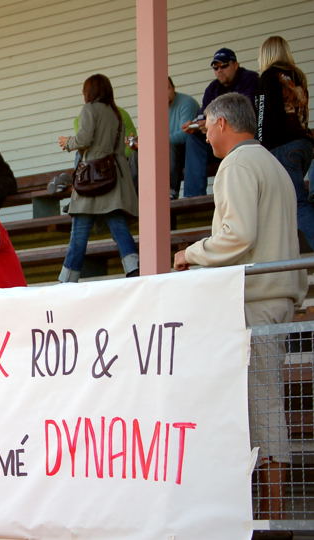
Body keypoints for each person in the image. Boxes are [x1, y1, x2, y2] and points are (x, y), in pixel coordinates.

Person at [173, 92, 307, 520]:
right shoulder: (272, 164)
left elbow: (237, 235)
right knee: (263, 401)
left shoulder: (237, 164)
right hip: (278, 294)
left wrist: (190, 253)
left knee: (261, 406)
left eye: (207, 125)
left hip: (255, 299)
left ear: (222, 124)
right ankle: (269, 514)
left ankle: (272, 517)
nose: (205, 134)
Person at [56, 74, 139, 282]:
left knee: (79, 232)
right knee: (118, 226)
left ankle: (67, 280)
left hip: (91, 179)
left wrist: (68, 142)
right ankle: (134, 269)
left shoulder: (89, 109)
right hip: (113, 177)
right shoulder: (115, 113)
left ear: (89, 91)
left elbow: (84, 139)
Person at [254, 35, 314, 251]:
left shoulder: (267, 77)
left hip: (283, 147)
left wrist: (260, 148)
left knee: (296, 202)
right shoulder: (298, 76)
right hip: (304, 145)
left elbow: (262, 117)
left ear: (265, 54)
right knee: (288, 202)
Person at [181, 48, 259, 197]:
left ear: (235, 64)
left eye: (224, 66)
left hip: (243, 137)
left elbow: (245, 113)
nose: (219, 71)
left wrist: (212, 123)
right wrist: (196, 124)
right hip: (219, 141)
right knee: (193, 138)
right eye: (215, 68)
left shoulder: (250, 79)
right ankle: (193, 196)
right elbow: (202, 113)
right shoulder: (213, 88)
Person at [168, 77, 200, 199]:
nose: (163, 92)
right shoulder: (155, 108)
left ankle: (170, 192)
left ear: (173, 88)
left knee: (169, 146)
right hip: (164, 151)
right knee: (137, 154)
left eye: (167, 88)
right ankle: (136, 196)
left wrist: (157, 143)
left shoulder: (186, 103)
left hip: (189, 150)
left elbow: (185, 134)